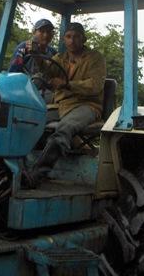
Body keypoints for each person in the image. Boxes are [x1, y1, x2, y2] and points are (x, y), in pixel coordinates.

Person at [25, 22, 106, 186]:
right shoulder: (60, 58)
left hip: (87, 105)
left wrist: (66, 84)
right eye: (68, 37)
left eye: (76, 37)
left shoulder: (95, 58)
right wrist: (37, 54)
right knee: (27, 119)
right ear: (64, 39)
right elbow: (47, 72)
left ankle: (37, 174)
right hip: (62, 105)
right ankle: (20, 167)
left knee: (65, 128)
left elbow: (95, 85)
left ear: (83, 38)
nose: (72, 41)